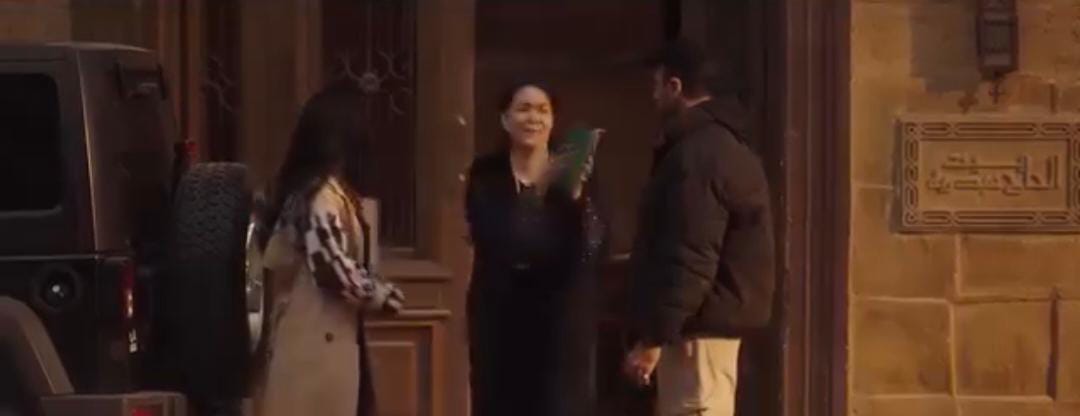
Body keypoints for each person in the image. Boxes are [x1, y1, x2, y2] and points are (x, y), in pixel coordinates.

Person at [622, 39, 776, 416]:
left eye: (657, 85)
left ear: (674, 86)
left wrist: (655, 337)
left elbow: (691, 255)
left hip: (699, 334)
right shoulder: (716, 145)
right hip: (700, 328)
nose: (653, 96)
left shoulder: (698, 154)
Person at [249, 84, 405, 416]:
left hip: (324, 340)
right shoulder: (320, 196)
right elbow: (331, 269)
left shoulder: (329, 194)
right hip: (315, 346)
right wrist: (384, 296)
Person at [464, 81, 606, 416]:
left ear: (553, 120)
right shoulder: (485, 174)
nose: (533, 118)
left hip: (560, 319)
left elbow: (596, 246)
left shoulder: (578, 176)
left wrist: (576, 197)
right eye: (523, 109)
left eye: (543, 110)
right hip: (500, 319)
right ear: (505, 119)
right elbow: (492, 236)